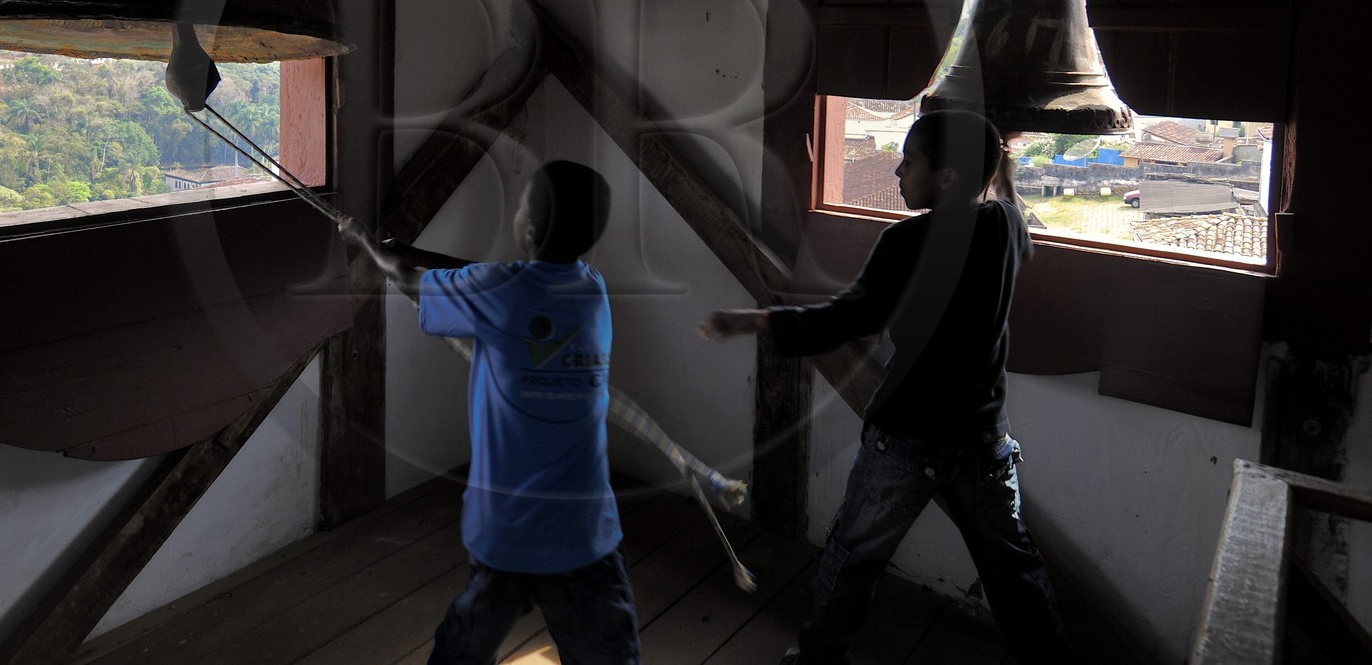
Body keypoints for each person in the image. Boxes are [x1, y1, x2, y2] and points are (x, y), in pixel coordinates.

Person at [698, 109, 1074, 664]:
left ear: (946, 178)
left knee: (852, 560)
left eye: (909, 161)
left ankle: (819, 660)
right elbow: (1004, 197)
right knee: (1014, 570)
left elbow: (847, 319)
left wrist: (752, 321)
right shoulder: (1008, 228)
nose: (897, 172)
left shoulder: (907, 240)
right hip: (982, 437)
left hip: (907, 436)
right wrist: (998, 159)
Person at [339, 159, 641, 665]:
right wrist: (409, 249)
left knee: (464, 648)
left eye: (521, 205)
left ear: (527, 230)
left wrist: (366, 241)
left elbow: (410, 281)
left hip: (509, 530)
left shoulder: (499, 292)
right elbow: (477, 277)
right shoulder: (591, 288)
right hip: (586, 533)